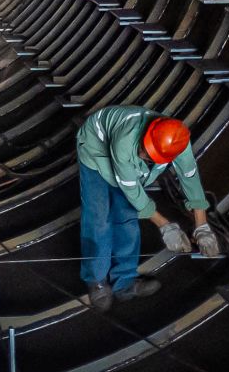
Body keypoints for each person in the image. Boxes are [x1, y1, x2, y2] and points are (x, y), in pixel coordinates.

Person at [75, 107, 217, 312]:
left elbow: (190, 177)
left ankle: (124, 282)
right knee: (98, 218)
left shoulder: (177, 142)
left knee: (126, 216)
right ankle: (96, 280)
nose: (142, 154)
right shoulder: (125, 142)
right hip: (96, 149)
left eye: (148, 156)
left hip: (122, 156)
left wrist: (202, 226)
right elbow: (132, 190)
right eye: (143, 149)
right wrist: (165, 226)